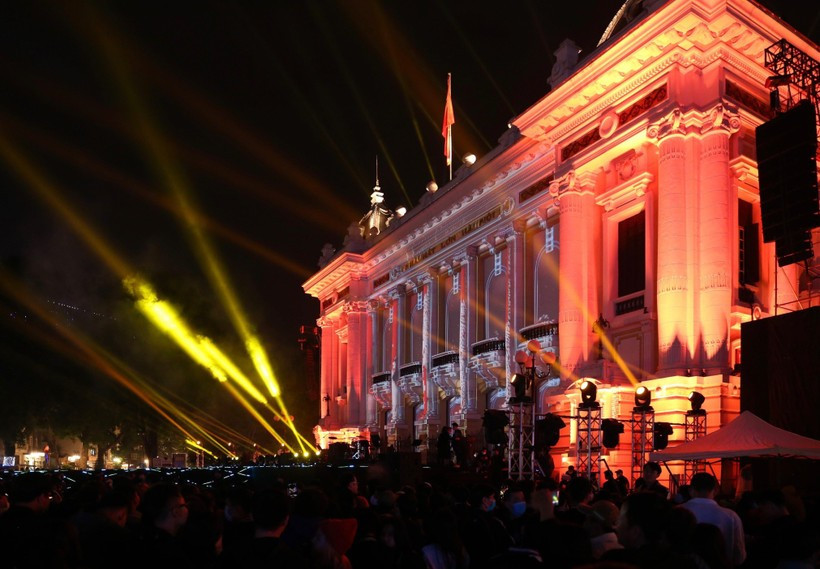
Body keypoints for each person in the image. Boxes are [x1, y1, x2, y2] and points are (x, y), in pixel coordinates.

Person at [681, 473, 746, 567]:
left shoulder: (678, 511)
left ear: (691, 490)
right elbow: (739, 555)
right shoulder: (731, 516)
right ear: (715, 491)